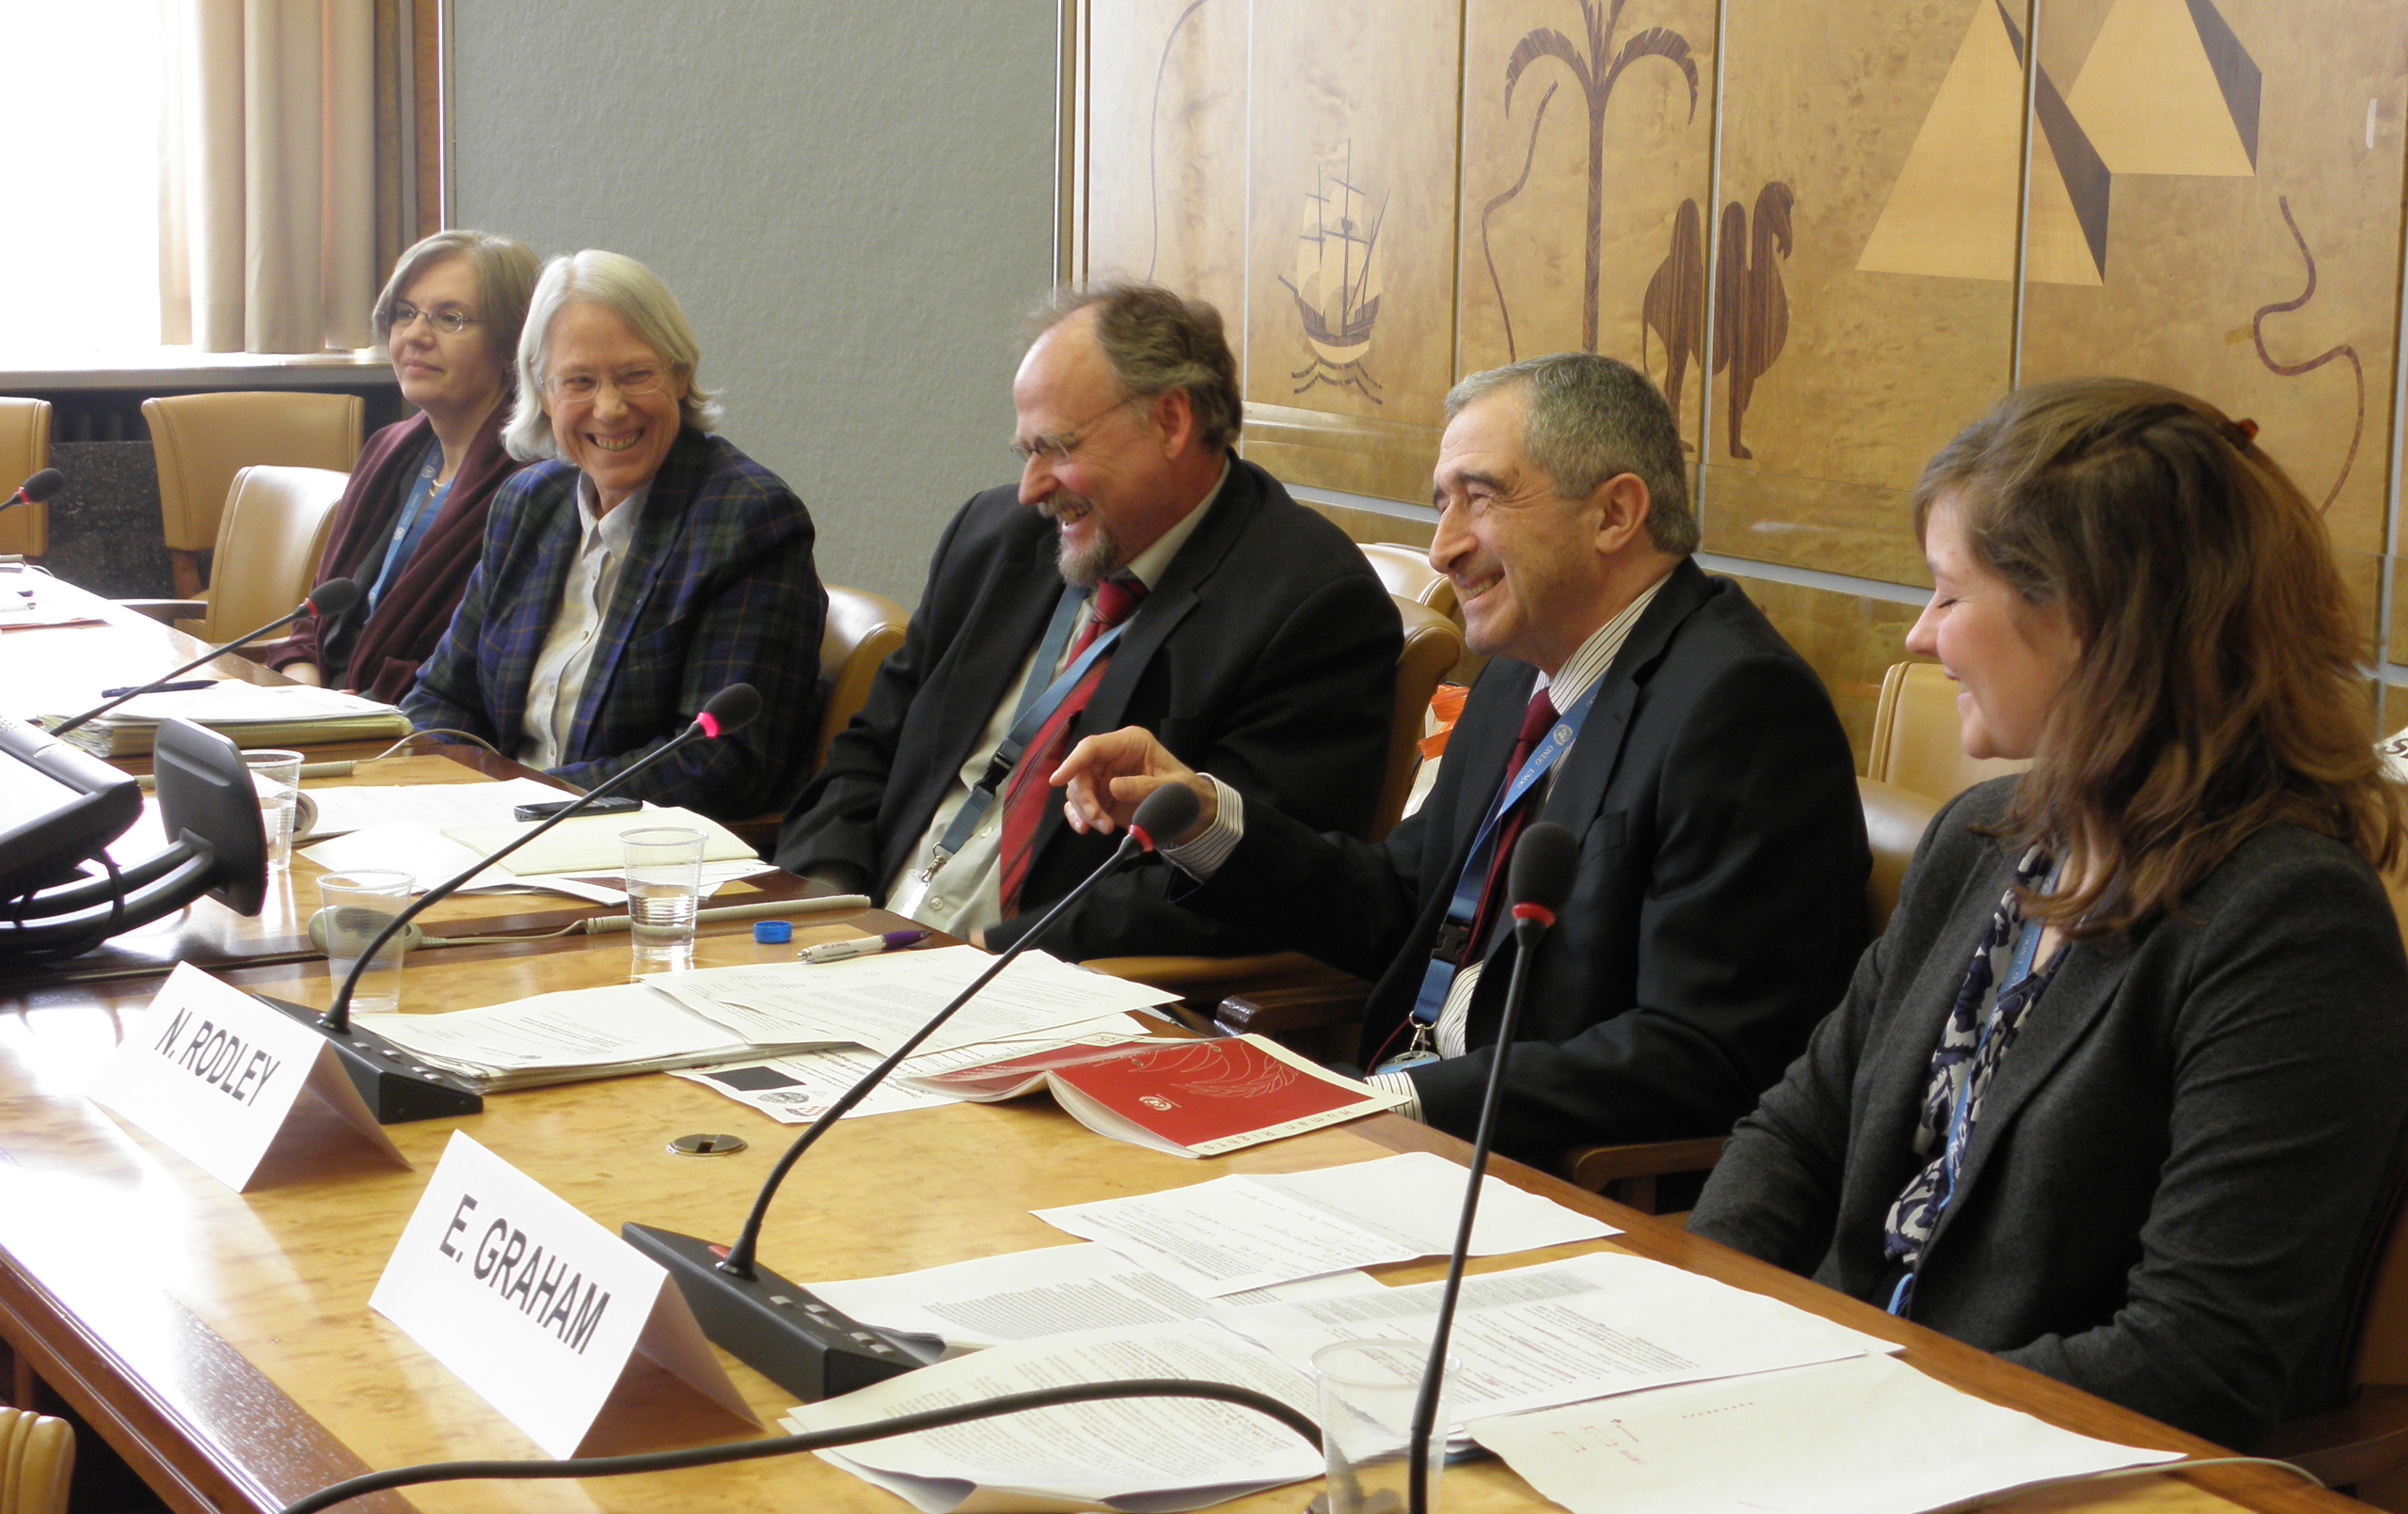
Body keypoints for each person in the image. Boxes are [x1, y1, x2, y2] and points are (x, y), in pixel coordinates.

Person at [1687, 378, 2408, 1450]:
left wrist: (1851, 1417)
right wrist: (1693, 1329)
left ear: (2085, 620)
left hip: (2022, 1477)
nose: (1920, 637)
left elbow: (2196, 1358)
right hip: (1827, 1412)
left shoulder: (2289, 925)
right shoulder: (1986, 836)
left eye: (1946, 593)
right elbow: (1797, 1131)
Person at [1055, 352, 1869, 1162]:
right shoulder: (1524, 671)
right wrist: (1204, 816)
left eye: (1480, 498)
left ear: (1616, 513)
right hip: (1405, 1125)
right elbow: (1403, 903)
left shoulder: (1743, 707)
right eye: (1442, 504)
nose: (1443, 548)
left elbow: (1702, 1053)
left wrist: (1395, 1103)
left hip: (1545, 1176)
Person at [775, 283, 1399, 958]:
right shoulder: (994, 537)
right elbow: (871, 750)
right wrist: (827, 903)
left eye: (1057, 448)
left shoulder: (1309, 604)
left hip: (1032, 987)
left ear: (1170, 422)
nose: (1030, 488)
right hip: (858, 945)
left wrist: (979, 958)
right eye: (1026, 453)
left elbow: (1223, 886)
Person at [404, 250, 825, 821]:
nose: (610, 408)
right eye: (579, 382)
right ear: (543, 392)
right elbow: (441, 696)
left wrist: (522, 802)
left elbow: (721, 762)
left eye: (635, 376)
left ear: (679, 375)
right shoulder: (529, 504)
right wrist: (458, 793)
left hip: (635, 863)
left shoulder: (748, 520)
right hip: (490, 833)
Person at [266, 230, 538, 702]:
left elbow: (474, 672)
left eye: (450, 318)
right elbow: (312, 625)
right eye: (405, 314)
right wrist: (305, 703)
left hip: (417, 731)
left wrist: (341, 716)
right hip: (326, 711)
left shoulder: (529, 484)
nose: (415, 335)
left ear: (512, 342)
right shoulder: (388, 452)